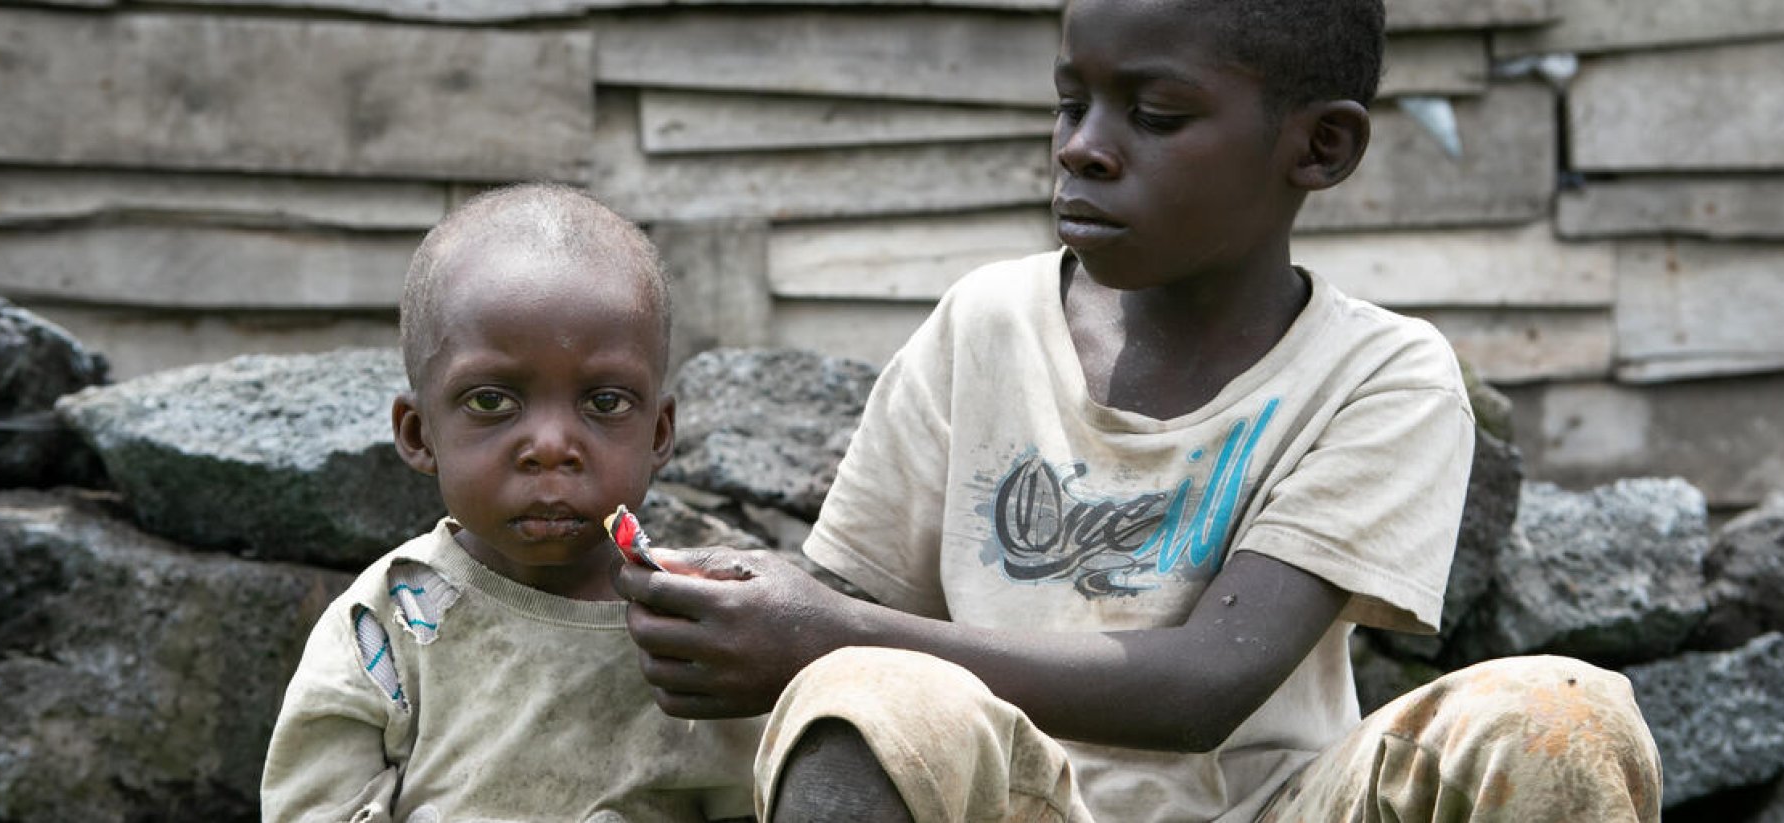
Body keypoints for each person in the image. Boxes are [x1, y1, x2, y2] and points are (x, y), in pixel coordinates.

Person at [613, 0, 1663, 820]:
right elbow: (844, 620)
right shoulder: (986, 325)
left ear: (1321, 149)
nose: (1084, 146)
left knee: (1562, 714)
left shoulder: (1380, 374)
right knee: (865, 699)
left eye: (1154, 116)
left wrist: (823, 630)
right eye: (1073, 102)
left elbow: (1206, 686)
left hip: (1284, 808)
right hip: (1019, 805)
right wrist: (749, 616)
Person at [261, 184, 763, 822]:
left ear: (659, 435)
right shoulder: (386, 624)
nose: (551, 447)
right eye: (491, 402)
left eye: (604, 403)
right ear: (419, 435)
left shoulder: (699, 637)